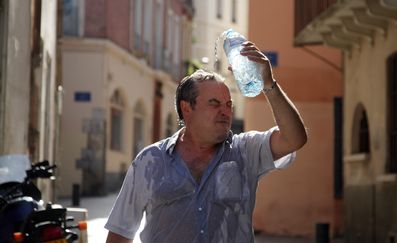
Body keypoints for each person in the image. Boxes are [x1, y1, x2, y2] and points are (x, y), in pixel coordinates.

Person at [105, 41, 307, 243]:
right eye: (214, 103)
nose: (225, 111)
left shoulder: (246, 150)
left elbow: (294, 139)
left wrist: (269, 84)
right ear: (187, 108)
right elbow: (120, 234)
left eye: (229, 104)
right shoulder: (150, 161)